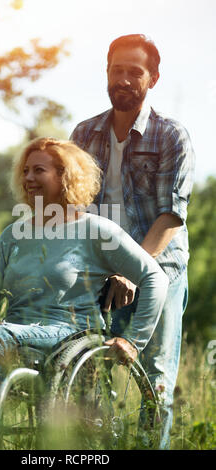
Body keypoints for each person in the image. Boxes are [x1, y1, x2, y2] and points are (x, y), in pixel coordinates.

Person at [0, 137, 168, 436]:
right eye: (25, 171)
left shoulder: (96, 229)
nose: (29, 178)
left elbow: (155, 277)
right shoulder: (14, 234)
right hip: (14, 332)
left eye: (39, 171)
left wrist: (133, 340)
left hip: (69, 334)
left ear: (64, 176)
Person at [70, 34, 195, 449]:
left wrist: (133, 269)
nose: (123, 79)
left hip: (160, 266)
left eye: (134, 72)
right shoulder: (84, 133)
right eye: (116, 70)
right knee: (83, 364)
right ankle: (96, 448)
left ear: (153, 78)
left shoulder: (171, 136)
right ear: (107, 73)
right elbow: (73, 208)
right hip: (101, 267)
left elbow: (171, 215)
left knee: (155, 375)